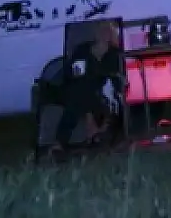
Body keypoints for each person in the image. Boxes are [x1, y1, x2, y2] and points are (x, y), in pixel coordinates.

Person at [53, 19, 124, 153]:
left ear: (112, 33)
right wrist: (75, 70)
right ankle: (93, 128)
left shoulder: (115, 54)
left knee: (80, 93)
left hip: (102, 93)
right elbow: (68, 71)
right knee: (80, 86)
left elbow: (117, 76)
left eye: (108, 29)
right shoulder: (82, 49)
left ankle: (61, 141)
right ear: (95, 33)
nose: (104, 33)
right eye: (101, 29)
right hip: (79, 88)